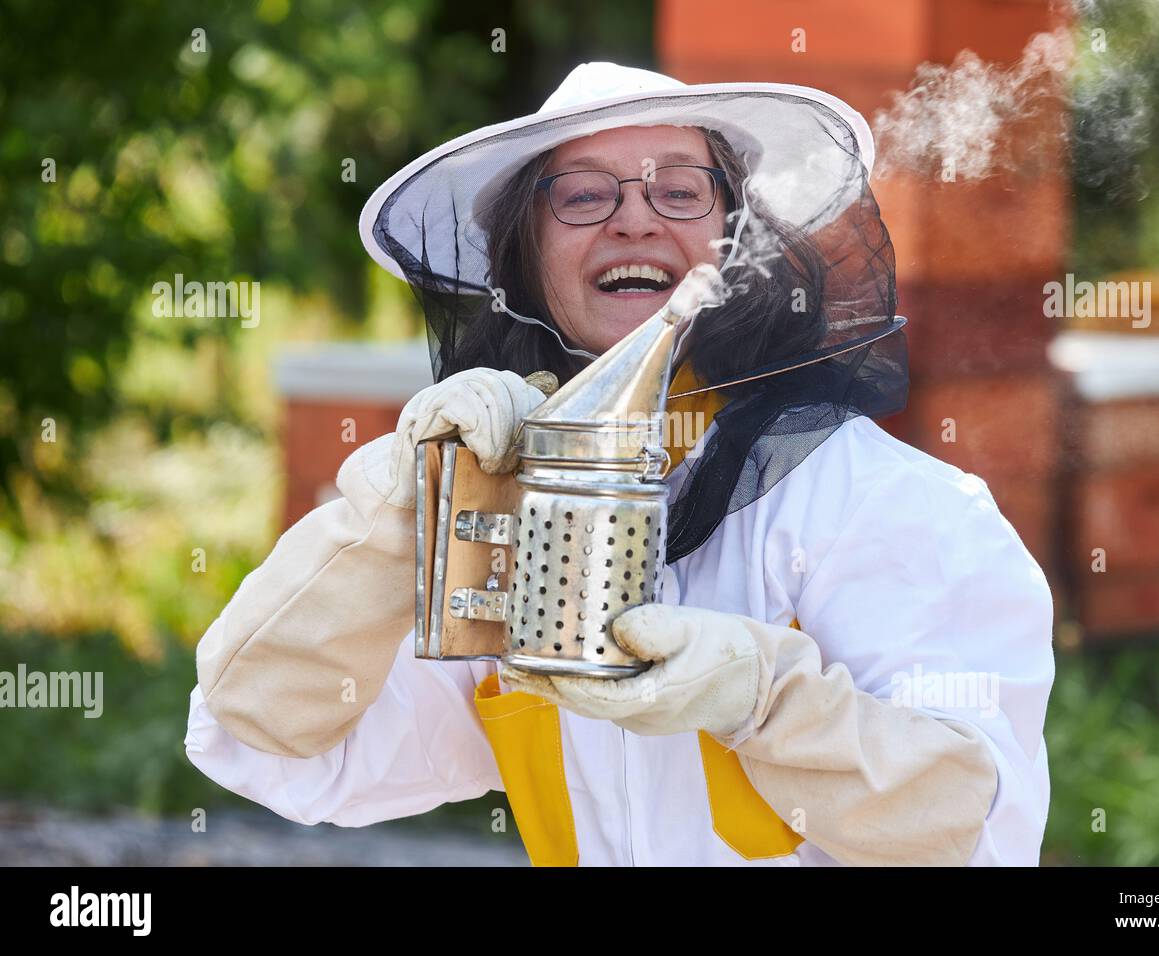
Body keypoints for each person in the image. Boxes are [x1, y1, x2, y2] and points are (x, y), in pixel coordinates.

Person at [185, 62, 1056, 866]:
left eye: (680, 191)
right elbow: (268, 744)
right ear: (523, 256)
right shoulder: (493, 525)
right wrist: (390, 515)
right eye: (582, 195)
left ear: (734, 240)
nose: (634, 218)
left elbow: (978, 833)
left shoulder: (887, 508)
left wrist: (766, 700)